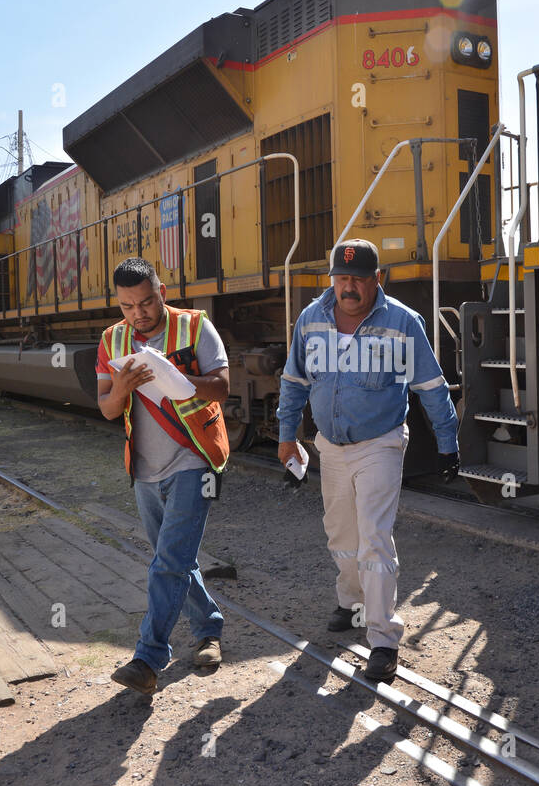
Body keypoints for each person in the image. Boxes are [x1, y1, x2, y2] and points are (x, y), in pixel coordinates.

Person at [276, 239, 459, 683]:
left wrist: (447, 440)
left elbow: (431, 386)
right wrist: (286, 437)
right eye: (342, 278)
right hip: (330, 447)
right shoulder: (310, 320)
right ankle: (352, 602)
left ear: (378, 279)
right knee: (341, 535)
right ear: (332, 279)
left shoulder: (403, 322)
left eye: (359, 279)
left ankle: (382, 639)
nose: (349, 288)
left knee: (374, 537)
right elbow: (294, 381)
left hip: (381, 443)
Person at [96, 257, 231, 697]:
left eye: (147, 302)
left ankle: (148, 658)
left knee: (168, 563)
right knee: (174, 560)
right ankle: (209, 629)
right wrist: (123, 386)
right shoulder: (111, 340)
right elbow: (107, 408)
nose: (139, 313)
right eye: (128, 305)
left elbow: (224, 386)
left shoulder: (195, 327)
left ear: (163, 292)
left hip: (194, 460)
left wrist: (180, 380)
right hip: (144, 472)